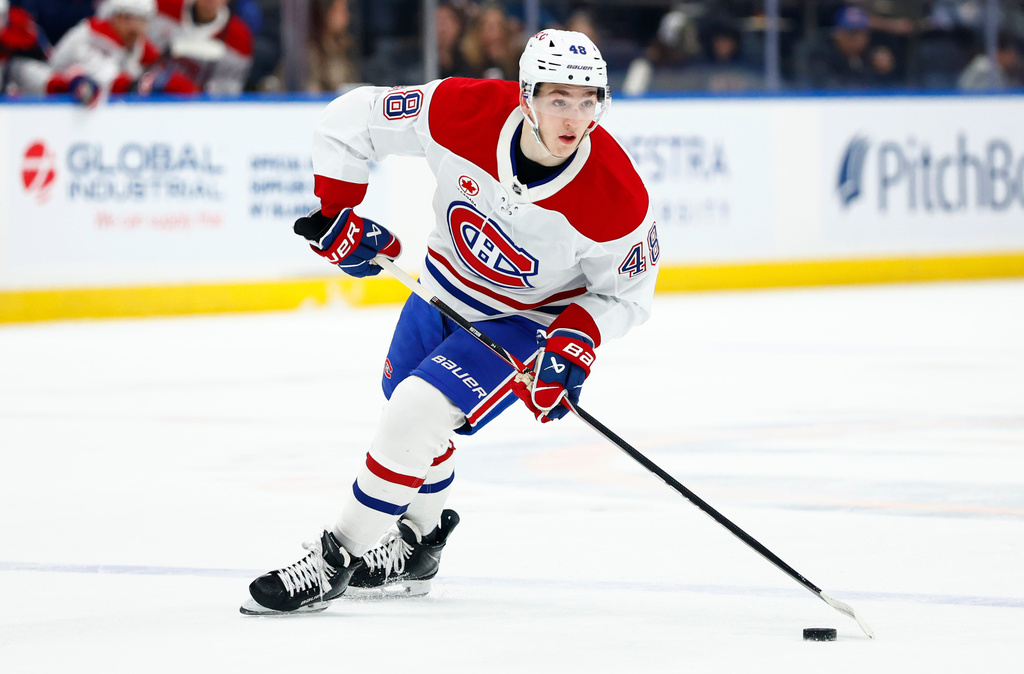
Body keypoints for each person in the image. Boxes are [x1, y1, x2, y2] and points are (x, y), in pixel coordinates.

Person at [241, 29, 659, 615]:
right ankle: (419, 544)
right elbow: (352, 116)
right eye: (558, 99)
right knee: (405, 414)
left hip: (522, 321)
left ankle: (338, 559)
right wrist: (339, 211)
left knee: (416, 410)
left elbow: (628, 296)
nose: (574, 117)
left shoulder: (617, 197)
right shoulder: (461, 109)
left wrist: (576, 339)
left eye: (588, 100)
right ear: (525, 95)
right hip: (440, 286)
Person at [48, 0, 199, 100]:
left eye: (144, 21)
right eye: (135, 20)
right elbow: (113, 84)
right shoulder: (91, 37)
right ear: (118, 18)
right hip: (49, 104)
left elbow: (159, 62)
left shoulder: (132, 39)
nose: (140, 28)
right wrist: (152, 83)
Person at [148, 0, 253, 94]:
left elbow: (229, 89)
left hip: (201, 105)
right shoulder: (162, 8)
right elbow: (141, 55)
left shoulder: (239, 37)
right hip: (151, 92)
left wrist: (195, 92)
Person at [305, 0, 359, 93]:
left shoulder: (345, 46)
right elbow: (311, 94)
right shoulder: (308, 53)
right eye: (341, 10)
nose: (347, 15)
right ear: (325, 14)